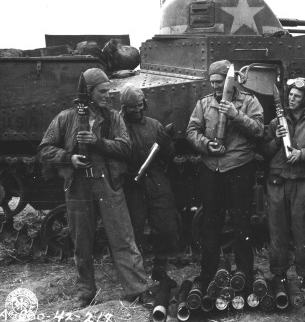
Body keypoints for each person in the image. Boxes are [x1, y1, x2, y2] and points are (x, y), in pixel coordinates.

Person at [38, 68, 154, 308]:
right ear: (89, 92)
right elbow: (45, 148)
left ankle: (138, 289)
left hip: (107, 184)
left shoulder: (113, 117)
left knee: (123, 237)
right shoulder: (66, 118)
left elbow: (126, 148)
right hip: (78, 186)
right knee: (82, 241)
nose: (107, 95)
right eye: (102, 91)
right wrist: (68, 158)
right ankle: (85, 294)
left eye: (109, 90)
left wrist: (98, 143)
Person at [186, 60, 264, 285]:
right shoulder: (204, 104)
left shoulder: (249, 102)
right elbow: (192, 131)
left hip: (239, 168)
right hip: (212, 169)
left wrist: (235, 114)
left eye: (219, 82)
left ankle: (244, 275)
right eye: (212, 82)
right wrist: (206, 145)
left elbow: (259, 130)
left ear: (230, 81)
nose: (215, 87)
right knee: (211, 223)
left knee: (242, 224)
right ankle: (209, 274)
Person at [264, 77, 305, 289]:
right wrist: (276, 139)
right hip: (277, 182)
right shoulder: (276, 122)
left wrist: (301, 154)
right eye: (290, 95)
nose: (292, 99)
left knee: (303, 231)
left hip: (303, 183)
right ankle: (278, 274)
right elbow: (263, 152)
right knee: (277, 231)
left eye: (297, 96)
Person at [119, 84, 178, 287]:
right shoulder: (118, 126)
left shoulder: (154, 125)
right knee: (134, 230)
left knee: (165, 226)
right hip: (130, 180)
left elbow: (170, 156)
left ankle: (160, 270)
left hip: (155, 178)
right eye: (131, 107)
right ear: (124, 108)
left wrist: (167, 142)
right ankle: (137, 276)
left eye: (139, 105)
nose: (136, 110)